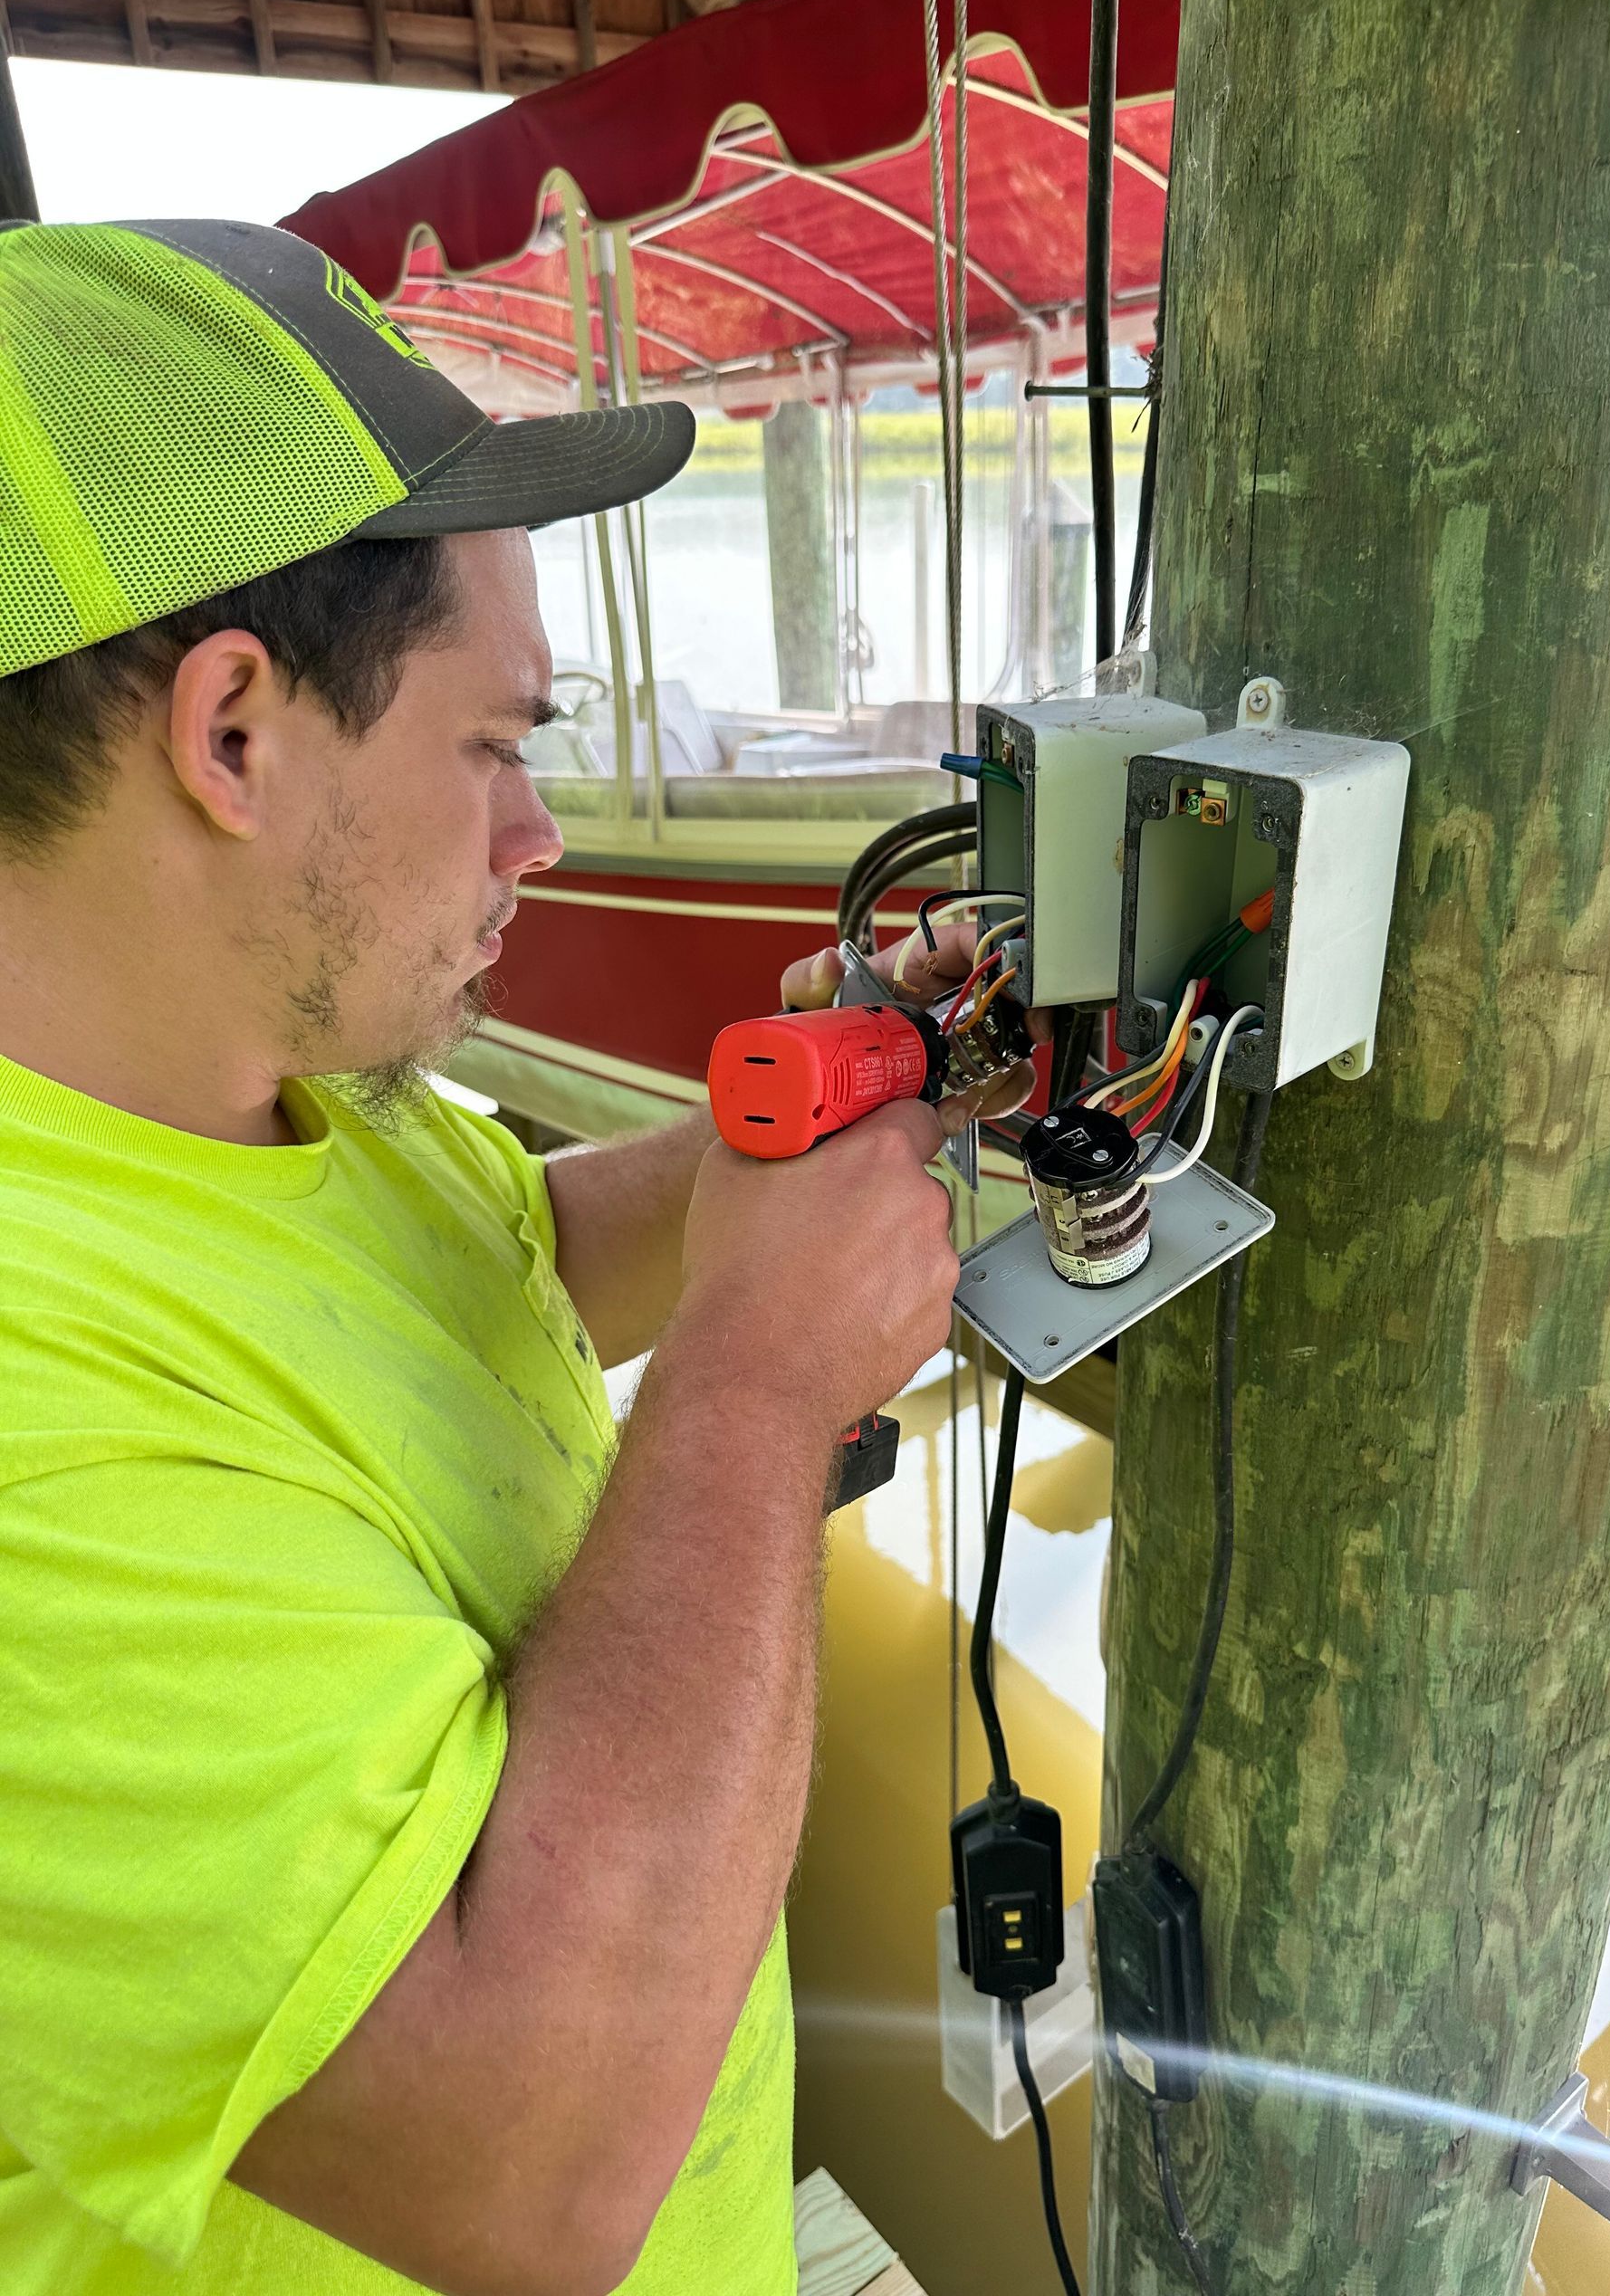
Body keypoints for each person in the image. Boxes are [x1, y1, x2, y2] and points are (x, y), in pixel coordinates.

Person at [0, 218, 1028, 2296]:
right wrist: (754, 1385)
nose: (537, 834)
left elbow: (510, 1266)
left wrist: (868, 1082)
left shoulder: (272, 1086)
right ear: (229, 734)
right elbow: (526, 2172)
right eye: (495, 745)